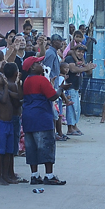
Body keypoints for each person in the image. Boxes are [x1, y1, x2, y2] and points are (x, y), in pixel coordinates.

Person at [21, 56, 66, 185]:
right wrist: (61, 88)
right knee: (46, 145)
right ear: (32, 67)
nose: (42, 64)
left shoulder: (26, 81)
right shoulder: (41, 80)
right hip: (41, 116)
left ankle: (34, 175)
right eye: (38, 63)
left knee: (31, 147)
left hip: (28, 116)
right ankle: (49, 175)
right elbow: (53, 96)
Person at [0, 70, 16, 186]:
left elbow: (18, 97)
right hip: (1, 123)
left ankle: (5, 175)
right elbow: (4, 100)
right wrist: (6, 86)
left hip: (9, 123)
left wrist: (18, 85)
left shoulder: (6, 91)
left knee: (8, 152)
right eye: (0, 77)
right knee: (0, 151)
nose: (3, 78)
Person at [62, 45, 93, 136]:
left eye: (82, 52)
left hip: (76, 88)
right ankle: (70, 128)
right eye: (79, 51)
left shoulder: (81, 60)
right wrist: (86, 68)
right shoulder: (70, 59)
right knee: (71, 109)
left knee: (76, 109)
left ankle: (74, 126)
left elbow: (89, 72)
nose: (81, 54)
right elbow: (73, 69)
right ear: (74, 51)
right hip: (70, 87)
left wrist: (88, 67)